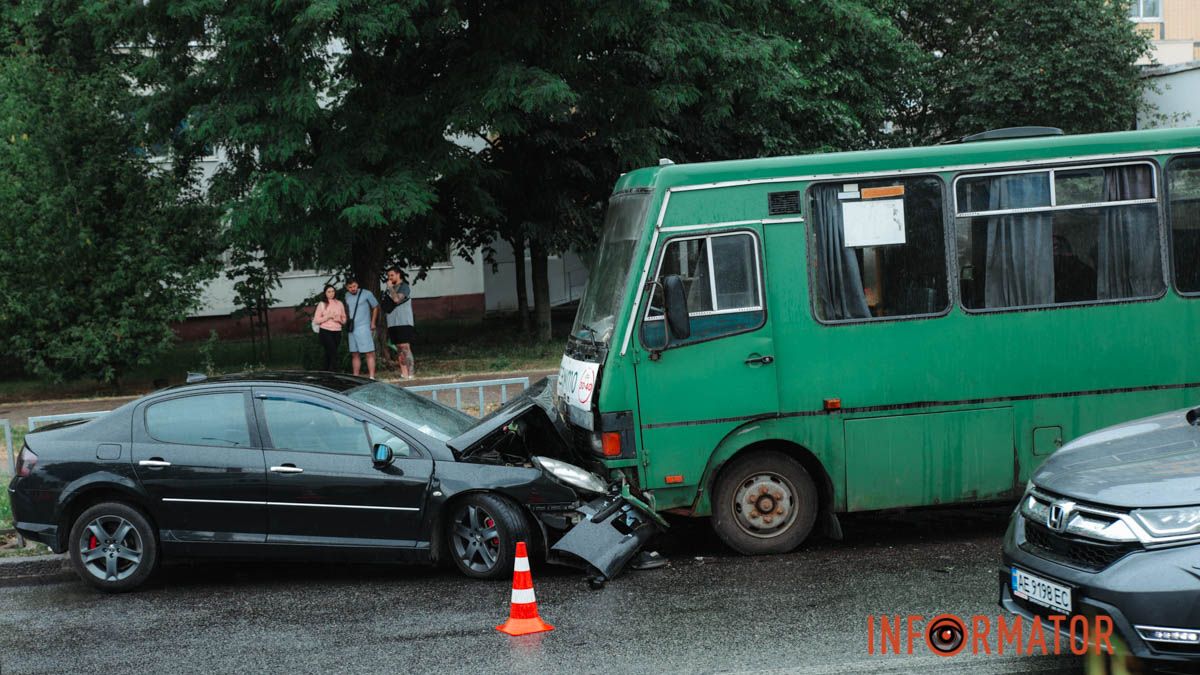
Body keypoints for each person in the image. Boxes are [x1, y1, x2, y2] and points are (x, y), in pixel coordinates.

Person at [384, 266, 416, 379]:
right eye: (388, 276)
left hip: (404, 321)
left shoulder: (404, 287)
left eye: (392, 275)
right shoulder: (390, 288)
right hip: (392, 322)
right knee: (398, 348)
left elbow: (397, 299)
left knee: (405, 347)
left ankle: (411, 374)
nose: (389, 278)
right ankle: (404, 374)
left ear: (398, 274)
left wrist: (390, 288)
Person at [344, 278, 379, 378]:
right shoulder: (346, 295)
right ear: (347, 288)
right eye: (350, 287)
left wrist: (373, 323)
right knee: (354, 353)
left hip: (364, 327)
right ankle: (356, 376)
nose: (353, 289)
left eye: (354, 286)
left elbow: (375, 307)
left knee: (369, 352)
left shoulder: (366, 293)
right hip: (352, 328)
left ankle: (371, 377)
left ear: (357, 285)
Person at [311, 284, 347, 371]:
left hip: (337, 331)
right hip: (325, 331)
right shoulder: (322, 304)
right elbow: (316, 320)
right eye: (329, 292)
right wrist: (327, 317)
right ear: (325, 293)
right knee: (333, 352)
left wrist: (338, 319)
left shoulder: (339, 303)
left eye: (333, 291)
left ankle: (325, 372)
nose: (331, 293)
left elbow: (344, 320)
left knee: (328, 353)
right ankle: (336, 372)